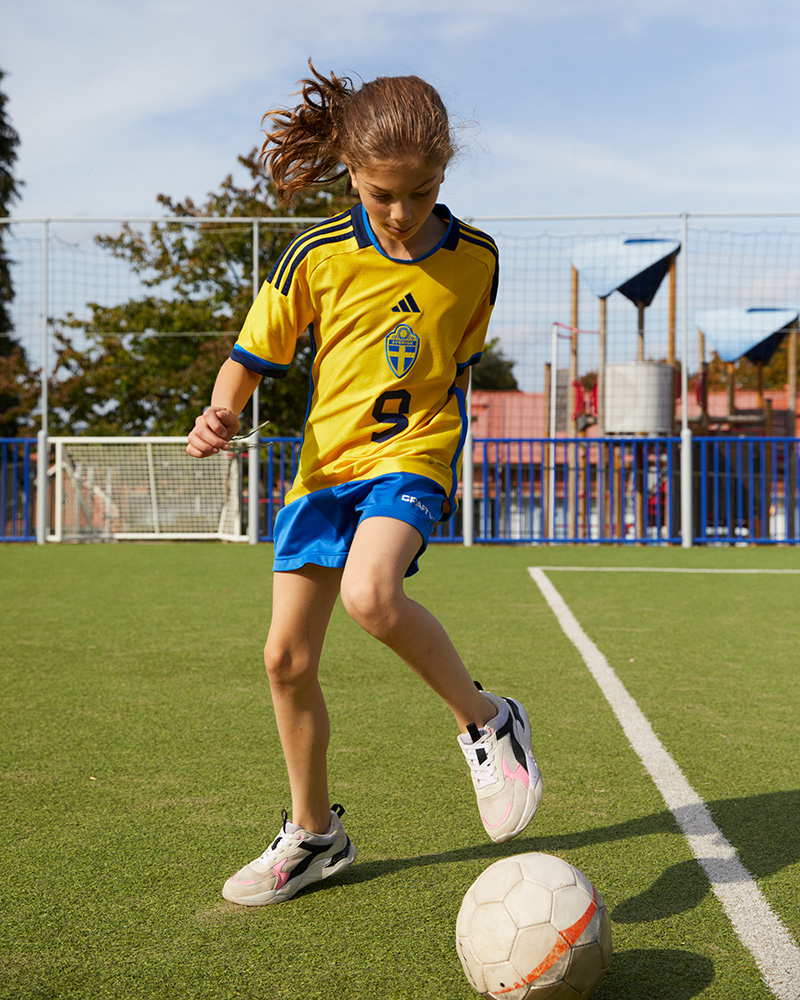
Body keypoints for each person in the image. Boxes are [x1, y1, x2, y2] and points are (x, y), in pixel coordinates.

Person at [187, 62, 542, 906]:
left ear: (443, 175)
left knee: (373, 596)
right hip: (323, 472)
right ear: (350, 169)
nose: (401, 211)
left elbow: (454, 362)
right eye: (383, 193)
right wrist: (221, 412)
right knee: (284, 660)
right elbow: (252, 354)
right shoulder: (315, 255)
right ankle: (315, 837)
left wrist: (430, 440)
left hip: (413, 453)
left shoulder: (478, 260)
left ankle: (489, 721)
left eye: (420, 192)